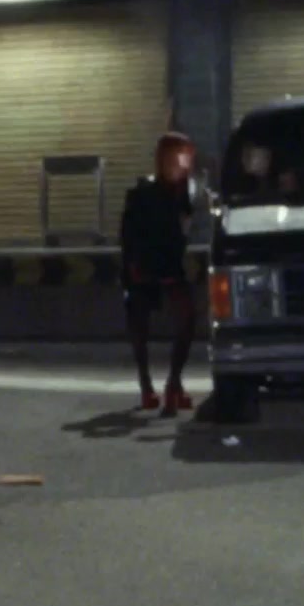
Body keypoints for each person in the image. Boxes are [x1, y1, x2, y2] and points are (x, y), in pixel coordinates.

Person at [120, 133, 199, 417]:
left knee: (187, 320)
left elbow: (184, 228)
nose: (181, 163)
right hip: (145, 265)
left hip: (169, 265)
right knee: (140, 324)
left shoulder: (182, 192)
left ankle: (172, 383)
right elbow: (128, 234)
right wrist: (133, 266)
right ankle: (148, 384)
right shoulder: (143, 192)